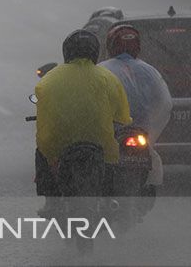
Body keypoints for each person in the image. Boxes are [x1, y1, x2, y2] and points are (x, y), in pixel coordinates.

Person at [34, 29, 132, 214]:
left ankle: (51, 203)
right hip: (101, 144)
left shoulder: (49, 80)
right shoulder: (108, 78)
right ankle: (110, 200)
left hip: (61, 144)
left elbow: (44, 119)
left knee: (42, 154)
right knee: (113, 165)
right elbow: (122, 116)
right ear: (95, 52)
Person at [99, 25, 172, 188]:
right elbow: (165, 103)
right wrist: (150, 130)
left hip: (113, 133)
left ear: (110, 46)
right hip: (141, 134)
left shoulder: (102, 70)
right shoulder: (150, 71)